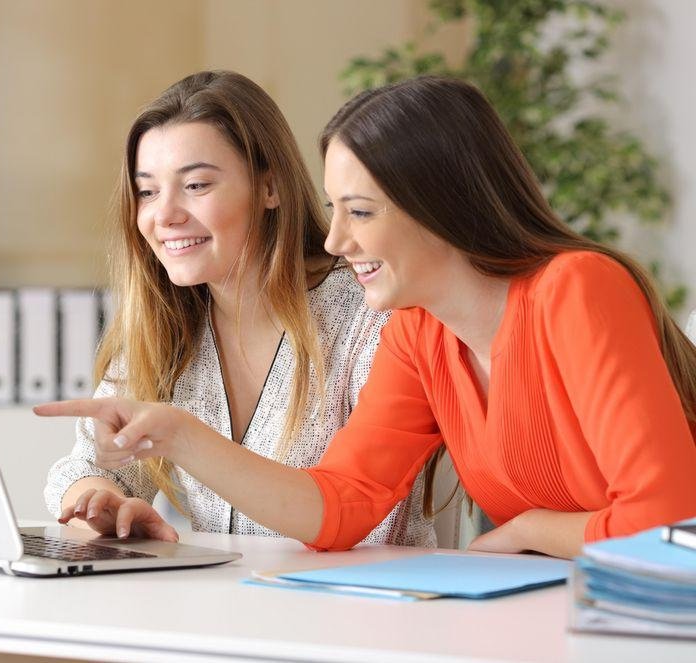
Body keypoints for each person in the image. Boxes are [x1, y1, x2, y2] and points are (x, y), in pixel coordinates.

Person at [37, 76, 696, 559]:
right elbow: (340, 504)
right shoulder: (421, 334)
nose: (334, 240)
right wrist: (182, 436)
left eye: (360, 211)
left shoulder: (577, 288)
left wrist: (531, 530)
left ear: (438, 205)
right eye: (336, 207)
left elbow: (667, 523)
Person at [43, 71, 435, 547]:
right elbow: (87, 467)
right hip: (231, 611)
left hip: (365, 609)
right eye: (147, 191)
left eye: (196, 185)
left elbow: (351, 507)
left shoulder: (371, 314)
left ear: (270, 188)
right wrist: (101, 501)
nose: (163, 215)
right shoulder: (169, 323)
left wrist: (182, 437)